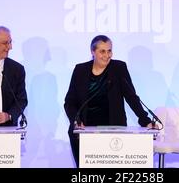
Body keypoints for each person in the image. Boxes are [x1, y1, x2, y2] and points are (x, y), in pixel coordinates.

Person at [64, 35, 155, 167]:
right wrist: (76, 121)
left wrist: (145, 120)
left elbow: (131, 97)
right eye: (102, 51)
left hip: (112, 130)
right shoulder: (80, 70)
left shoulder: (119, 68)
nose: (107, 55)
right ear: (92, 52)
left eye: (109, 51)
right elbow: (69, 102)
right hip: (84, 131)